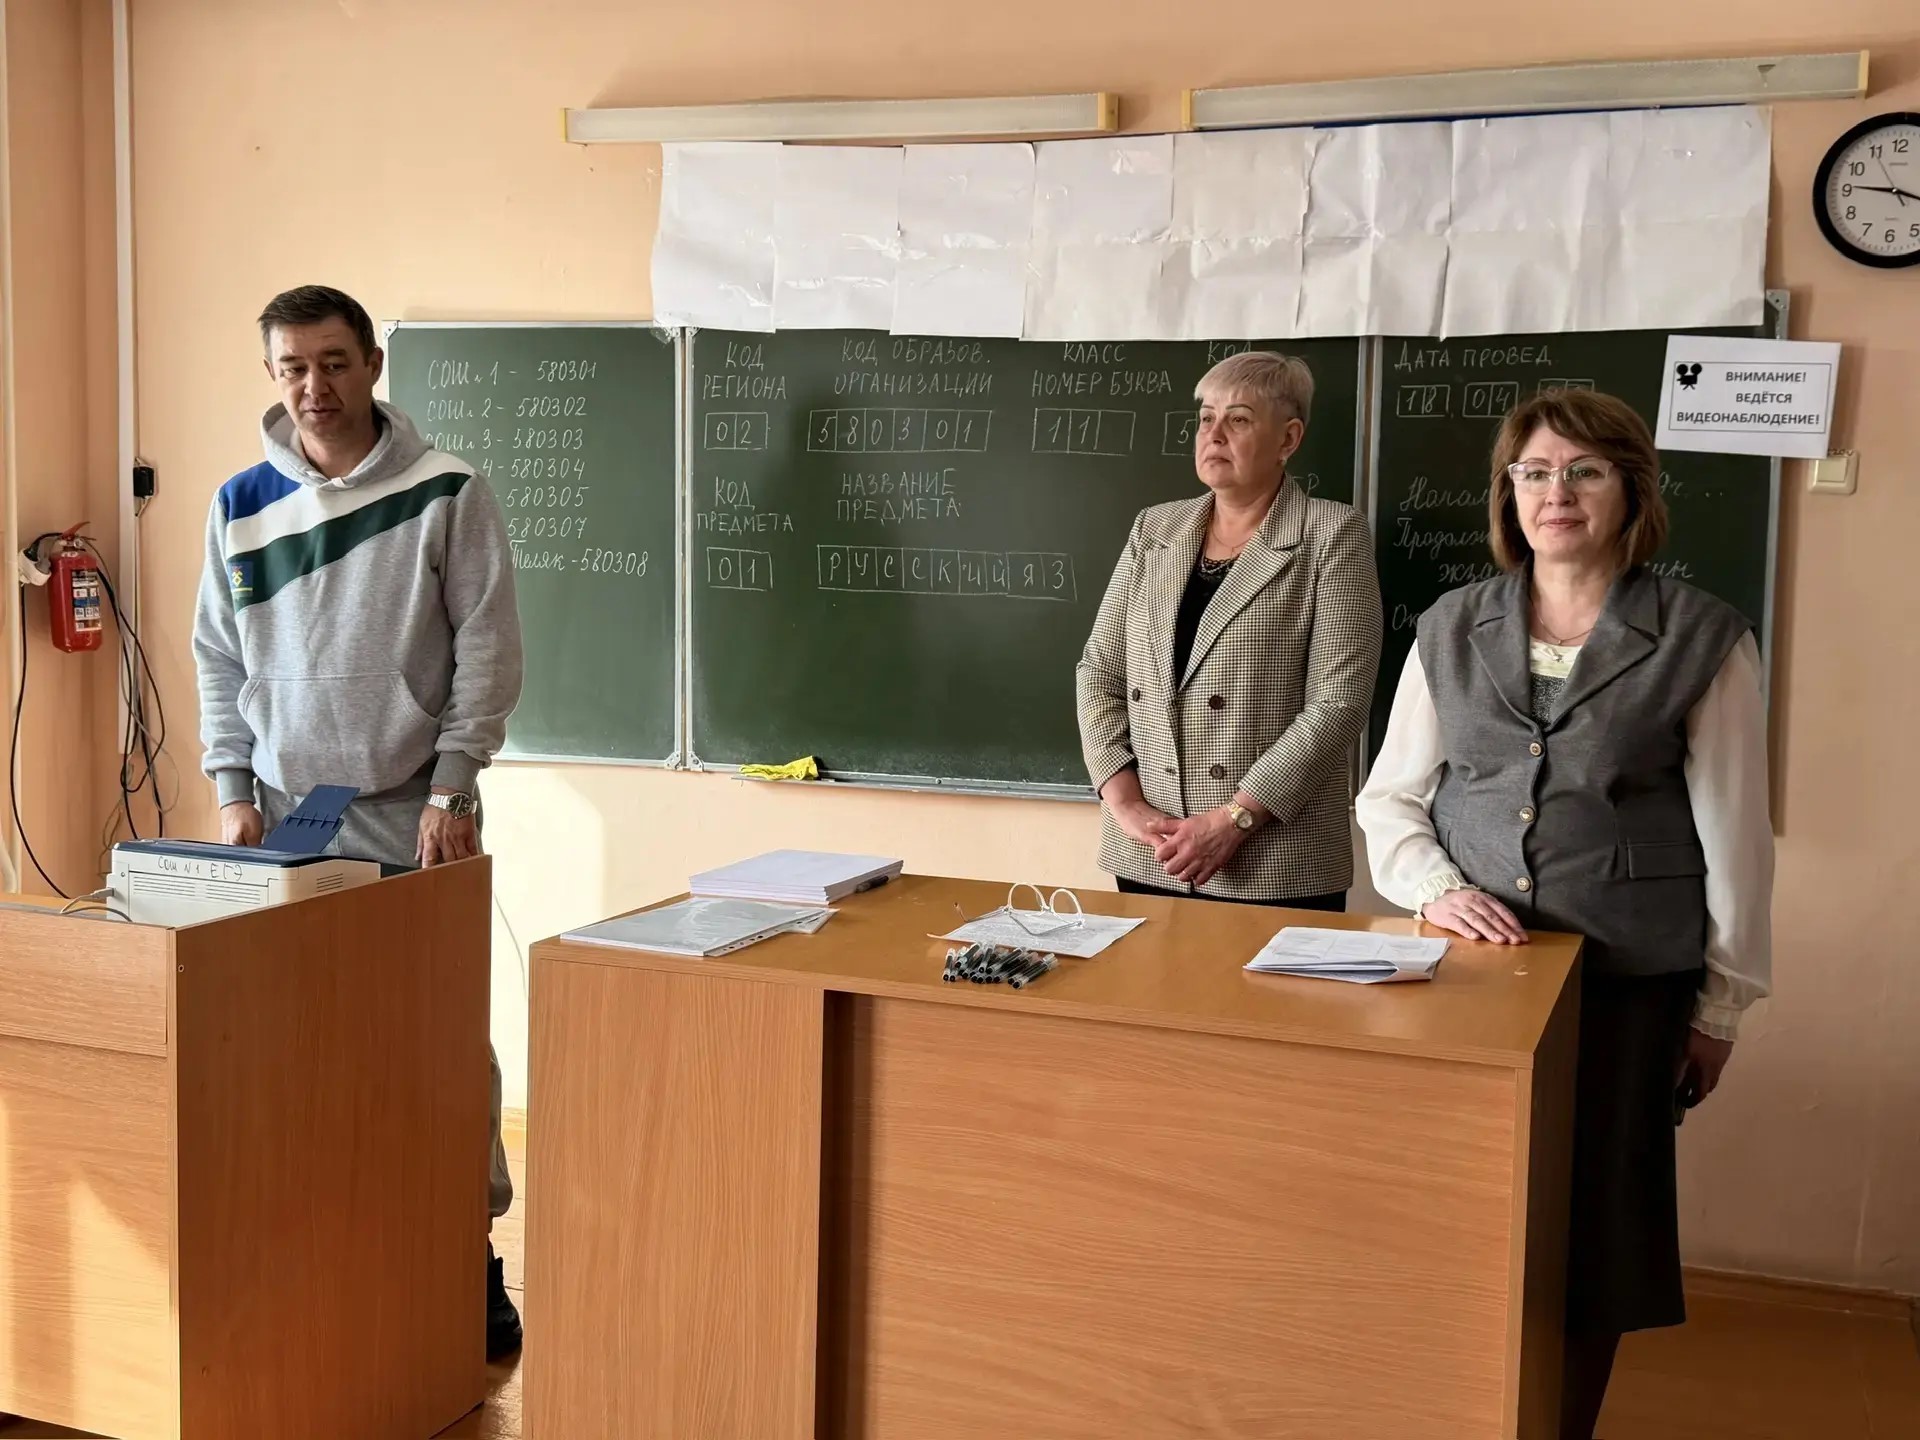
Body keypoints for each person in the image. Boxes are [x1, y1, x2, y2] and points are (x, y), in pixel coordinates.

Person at [1355, 388, 1773, 1439]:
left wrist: (1722, 1009)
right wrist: (1438, 889)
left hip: (1626, 987)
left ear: (1632, 490)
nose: (1557, 492)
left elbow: (1737, 840)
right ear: (1510, 492)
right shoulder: (1453, 625)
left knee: (1596, 1231)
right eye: (1535, 472)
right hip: (1470, 982)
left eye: (1585, 471)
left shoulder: (1704, 637)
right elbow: (1390, 799)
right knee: (1462, 1212)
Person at [192, 284, 526, 1360]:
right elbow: (217, 658)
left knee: (438, 1045)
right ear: (272, 376)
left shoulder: (446, 490)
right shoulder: (239, 503)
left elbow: (487, 648)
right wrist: (232, 790)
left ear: (372, 364)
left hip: (412, 813)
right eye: (293, 367)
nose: (314, 387)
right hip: (284, 822)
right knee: (295, 1046)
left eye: (333, 363)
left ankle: (468, 1255)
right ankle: (331, 1256)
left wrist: (453, 787)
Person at [1077, 351, 1382, 908]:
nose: (1214, 434)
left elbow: (1339, 702)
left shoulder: (1332, 534)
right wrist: (1124, 803)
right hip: (1151, 847)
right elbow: (1099, 670)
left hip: (1274, 858)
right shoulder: (1155, 529)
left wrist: (1235, 817)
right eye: (1206, 418)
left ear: (1288, 439)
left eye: (1238, 419)